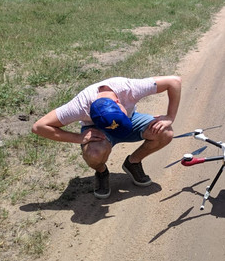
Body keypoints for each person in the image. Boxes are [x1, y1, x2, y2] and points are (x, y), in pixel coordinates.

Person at [32, 76, 181, 199]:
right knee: (94, 154)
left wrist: (170, 117)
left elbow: (174, 82)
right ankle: (102, 172)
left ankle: (133, 163)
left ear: (118, 102)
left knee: (165, 132)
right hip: (100, 131)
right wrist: (79, 138)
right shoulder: (80, 105)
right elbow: (39, 127)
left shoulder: (129, 89)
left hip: (130, 120)